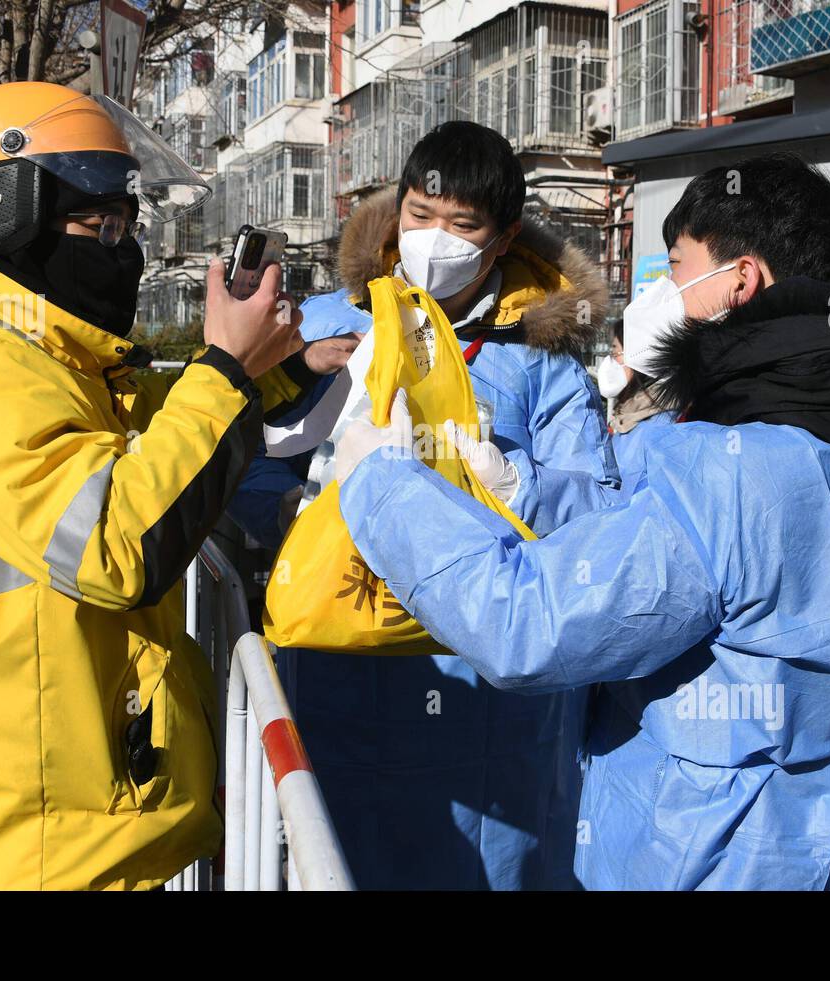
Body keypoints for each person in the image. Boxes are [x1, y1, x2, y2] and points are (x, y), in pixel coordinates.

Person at [333, 152, 830, 889]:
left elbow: (528, 623)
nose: (662, 290)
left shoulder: (737, 466)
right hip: (815, 835)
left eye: (677, 266)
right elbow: (683, 549)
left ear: (740, 280)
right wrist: (530, 490)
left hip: (705, 848)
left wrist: (380, 484)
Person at [0, 81, 324, 890]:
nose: (124, 250)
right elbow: (115, 545)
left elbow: (150, 430)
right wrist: (226, 370)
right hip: (27, 856)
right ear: (6, 213)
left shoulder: (48, 356)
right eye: (101, 226)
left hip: (74, 835)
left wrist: (279, 373)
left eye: (127, 226)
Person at [242, 120, 619, 890]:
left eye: (463, 225)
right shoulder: (325, 329)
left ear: (505, 237)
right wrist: (287, 516)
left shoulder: (543, 361)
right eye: (420, 213)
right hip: (338, 673)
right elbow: (246, 458)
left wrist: (522, 486)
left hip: (488, 709)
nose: (435, 237)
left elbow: (599, 512)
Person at [594, 323, 674, 487]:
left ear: (639, 357)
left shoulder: (658, 424)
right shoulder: (630, 416)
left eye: (616, 352)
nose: (610, 362)